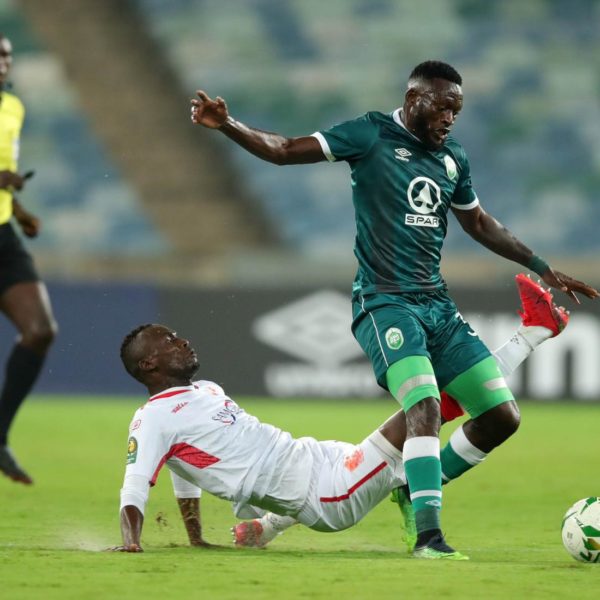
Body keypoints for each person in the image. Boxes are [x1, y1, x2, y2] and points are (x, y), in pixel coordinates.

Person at [190, 61, 599, 557]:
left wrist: (542, 266)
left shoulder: (452, 158)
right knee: (424, 405)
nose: (450, 118)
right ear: (412, 99)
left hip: (436, 304)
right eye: (442, 107)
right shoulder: (370, 134)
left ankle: (413, 487)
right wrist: (227, 125)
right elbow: (283, 150)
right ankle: (429, 537)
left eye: (457, 110)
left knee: (501, 417)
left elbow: (478, 223)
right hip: (384, 302)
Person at [114, 276, 567, 558]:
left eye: (176, 334)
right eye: (168, 341)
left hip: (318, 458)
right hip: (329, 494)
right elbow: (137, 484)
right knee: (432, 409)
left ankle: (267, 527)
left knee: (430, 409)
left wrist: (195, 536)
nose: (182, 341)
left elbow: (183, 468)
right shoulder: (151, 420)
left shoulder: (207, 391)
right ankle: (532, 333)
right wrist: (132, 541)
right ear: (148, 365)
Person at [0, 34, 57, 485]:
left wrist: (19, 210)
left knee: (40, 331)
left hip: (3, 234)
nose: (3, 62)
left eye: (7, 55)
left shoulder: (13, 107)